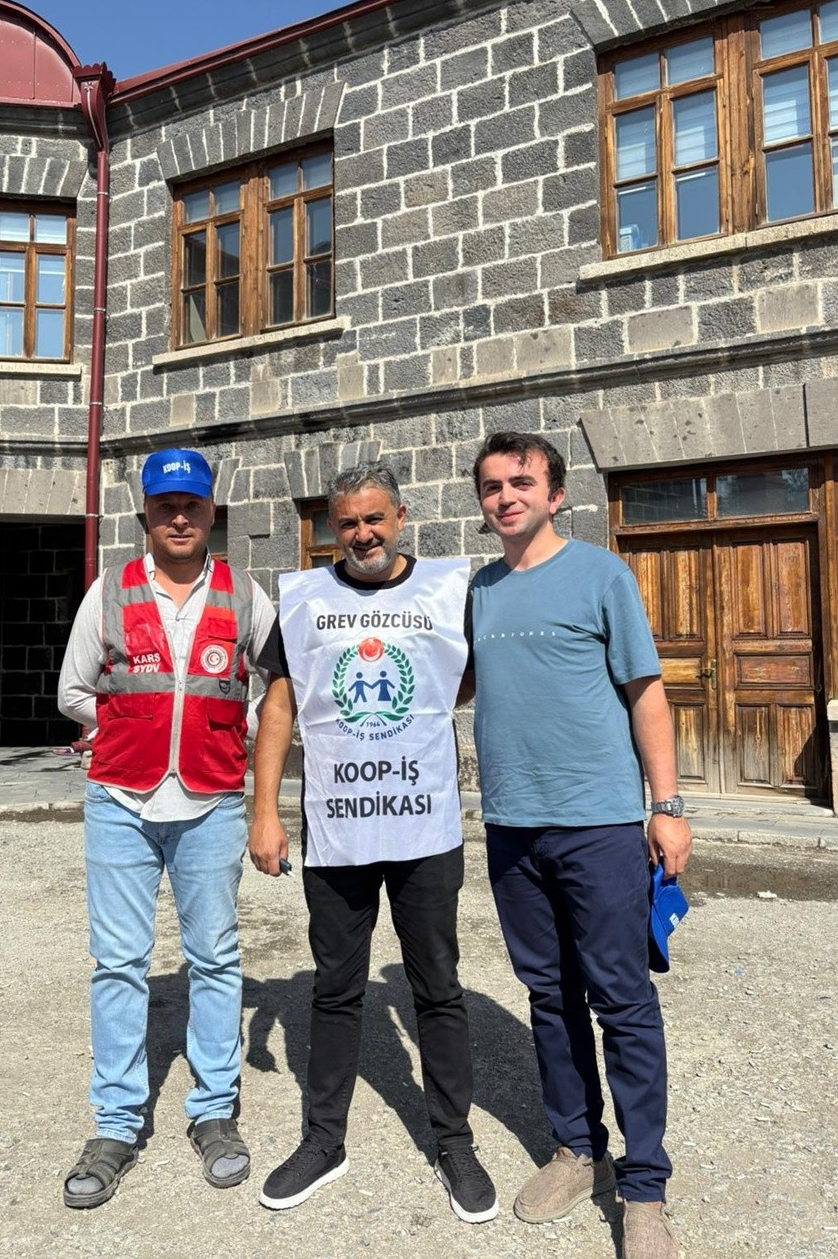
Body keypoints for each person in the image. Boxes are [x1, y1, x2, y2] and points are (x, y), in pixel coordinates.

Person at [249, 464, 497, 1224]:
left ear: (401, 517)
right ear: (333, 527)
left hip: (423, 824)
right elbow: (280, 707)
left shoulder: (444, 591)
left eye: (375, 519)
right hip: (338, 826)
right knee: (335, 988)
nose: (362, 534)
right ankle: (324, 1140)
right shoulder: (304, 600)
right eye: (348, 523)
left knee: (438, 987)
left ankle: (454, 1142)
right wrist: (264, 810)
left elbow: (460, 679)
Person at [464, 431, 692, 1259]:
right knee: (549, 996)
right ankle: (575, 1147)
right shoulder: (479, 589)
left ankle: (645, 1186)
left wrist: (666, 806)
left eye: (521, 482)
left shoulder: (602, 575)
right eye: (492, 485)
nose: (506, 496)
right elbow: (451, 679)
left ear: (556, 494)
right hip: (512, 827)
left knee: (621, 999)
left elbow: (646, 692)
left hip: (597, 823)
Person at [57, 447, 274, 1207]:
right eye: (164, 507)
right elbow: (74, 689)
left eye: (191, 506)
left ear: (211, 511)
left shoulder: (246, 594)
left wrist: (238, 728)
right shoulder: (110, 591)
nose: (179, 519)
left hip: (211, 801)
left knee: (215, 957)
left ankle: (214, 1112)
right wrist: (126, 728)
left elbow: (277, 686)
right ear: (146, 515)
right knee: (118, 963)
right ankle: (116, 1124)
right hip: (121, 800)